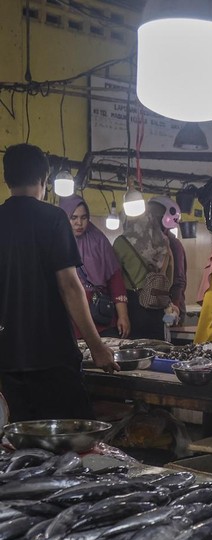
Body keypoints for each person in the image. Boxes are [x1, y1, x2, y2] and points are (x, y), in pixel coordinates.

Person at [0, 144, 117, 422]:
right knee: (70, 441)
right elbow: (69, 285)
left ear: (6, 180)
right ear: (44, 180)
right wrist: (96, 345)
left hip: (7, 358)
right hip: (52, 355)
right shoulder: (53, 219)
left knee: (21, 445)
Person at [58, 194, 130, 339]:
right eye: (74, 217)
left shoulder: (99, 241)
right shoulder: (56, 243)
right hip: (69, 319)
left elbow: (115, 279)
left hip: (100, 317)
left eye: (84, 217)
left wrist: (123, 316)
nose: (79, 223)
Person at [113, 202, 174, 341]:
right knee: (157, 349)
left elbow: (115, 280)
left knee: (136, 353)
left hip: (133, 306)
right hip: (158, 305)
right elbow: (169, 276)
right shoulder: (163, 242)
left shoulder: (121, 242)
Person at [149, 195, 187, 325]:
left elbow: (179, 281)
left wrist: (173, 310)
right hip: (155, 308)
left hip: (172, 310)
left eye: (153, 217)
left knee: (168, 342)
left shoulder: (174, 245)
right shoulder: (148, 243)